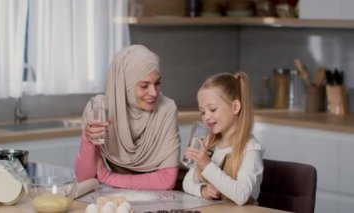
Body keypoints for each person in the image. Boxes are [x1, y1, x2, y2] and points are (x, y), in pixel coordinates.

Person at [74, 45, 181, 190]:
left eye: (157, 83)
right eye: (144, 85)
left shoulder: (166, 109)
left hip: (164, 199)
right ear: (125, 85)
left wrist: (108, 177)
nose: (154, 93)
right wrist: (88, 140)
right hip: (120, 199)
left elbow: (166, 180)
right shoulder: (100, 110)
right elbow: (84, 178)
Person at [182, 71, 264, 205]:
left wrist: (207, 165)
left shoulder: (251, 149)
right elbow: (187, 182)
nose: (206, 117)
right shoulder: (210, 143)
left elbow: (242, 195)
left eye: (213, 109)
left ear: (235, 107)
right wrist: (202, 190)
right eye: (203, 112)